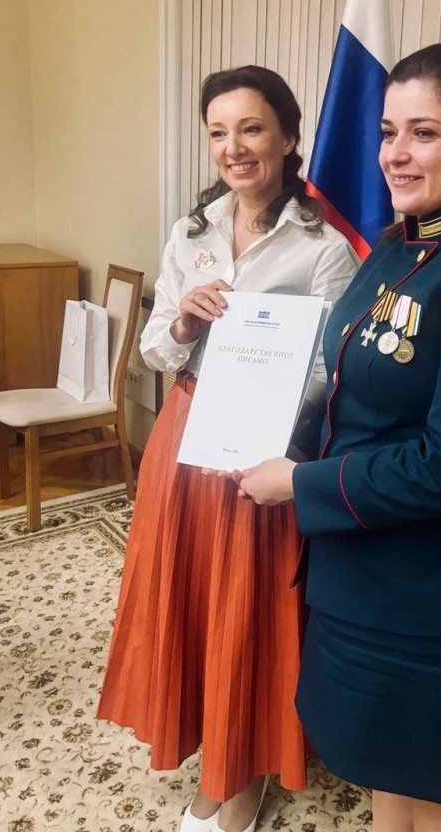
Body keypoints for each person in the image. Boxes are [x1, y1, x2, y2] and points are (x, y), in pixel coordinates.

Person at [232, 44, 441, 832]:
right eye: (388, 132)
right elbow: (354, 393)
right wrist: (265, 431)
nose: (395, 154)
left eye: (424, 132)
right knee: (386, 771)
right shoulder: (396, 246)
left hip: (439, 591)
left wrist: (299, 483)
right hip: (360, 570)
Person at [97, 66, 358, 832]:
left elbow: (333, 373)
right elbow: (155, 348)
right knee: (186, 599)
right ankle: (204, 750)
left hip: (260, 448)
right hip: (182, 437)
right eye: (218, 131)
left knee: (244, 611)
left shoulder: (324, 249)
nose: (233, 147)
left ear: (287, 137)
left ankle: (242, 775)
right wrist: (183, 321)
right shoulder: (193, 233)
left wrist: (264, 375)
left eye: (250, 128)